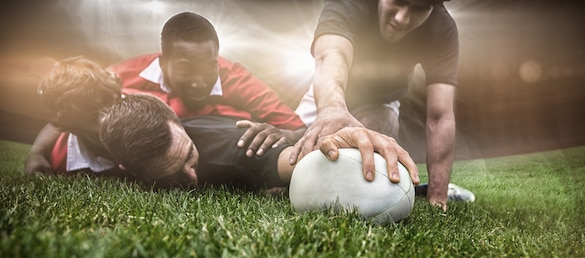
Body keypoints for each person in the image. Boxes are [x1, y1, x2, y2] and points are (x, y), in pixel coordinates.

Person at [24, 11, 305, 175]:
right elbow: (69, 107)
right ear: (163, 61)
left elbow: (296, 128)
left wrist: (286, 134)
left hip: (217, 138)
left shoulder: (237, 80)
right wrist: (36, 153)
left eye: (208, 68)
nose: (198, 82)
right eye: (185, 69)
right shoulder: (122, 76)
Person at [289, 0, 474, 208]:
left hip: (382, 102)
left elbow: (440, 116)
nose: (401, 18)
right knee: (285, 167)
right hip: (328, 94)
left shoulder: (441, 26)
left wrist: (438, 196)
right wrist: (331, 109)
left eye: (419, 8)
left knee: (364, 167)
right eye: (398, 2)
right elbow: (331, 54)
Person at [98, 93, 420, 190]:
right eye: (172, 177)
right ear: (131, 169)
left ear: (176, 119)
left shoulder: (236, 145)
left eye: (188, 158)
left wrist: (340, 140)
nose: (192, 178)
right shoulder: (110, 159)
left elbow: (291, 161)